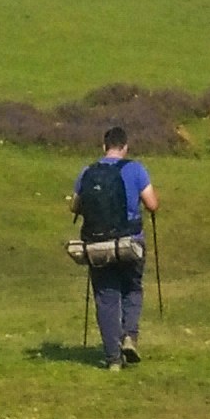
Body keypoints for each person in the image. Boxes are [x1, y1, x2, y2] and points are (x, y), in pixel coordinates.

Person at [71, 122, 158, 368]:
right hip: (130, 242)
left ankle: (112, 359)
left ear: (104, 146)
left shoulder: (88, 172)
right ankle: (129, 336)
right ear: (125, 147)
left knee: (106, 298)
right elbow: (152, 204)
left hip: (97, 246)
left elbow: (75, 207)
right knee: (132, 288)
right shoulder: (136, 170)